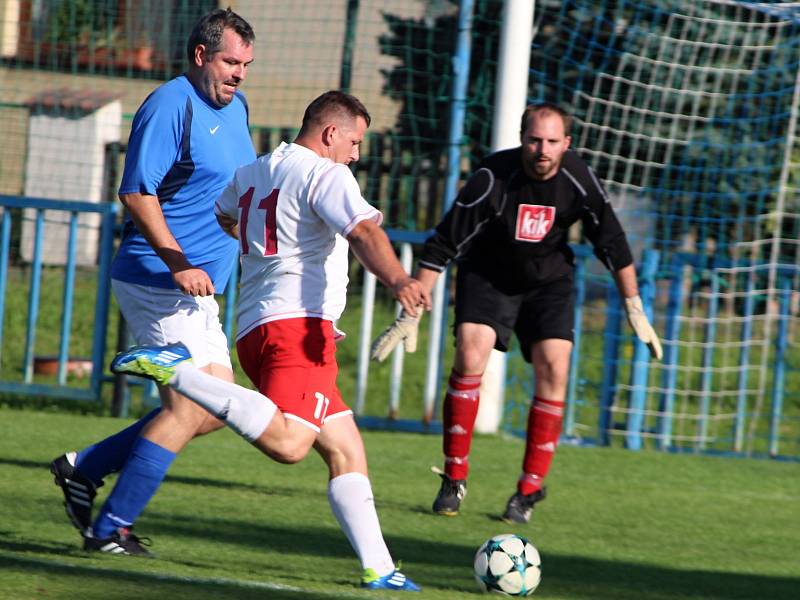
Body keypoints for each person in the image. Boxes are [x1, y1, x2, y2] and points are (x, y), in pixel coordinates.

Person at [110, 91, 428, 591]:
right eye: (354, 141)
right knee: (290, 445)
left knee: (344, 448)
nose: (356, 154)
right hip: (299, 329)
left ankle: (381, 569)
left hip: (254, 328)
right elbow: (365, 232)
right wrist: (400, 281)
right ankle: (176, 370)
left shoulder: (255, 170)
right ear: (329, 133)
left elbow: (225, 216)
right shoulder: (326, 174)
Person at [370, 102, 662, 524]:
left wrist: (634, 305)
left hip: (548, 284)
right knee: (472, 352)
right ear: (523, 139)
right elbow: (443, 245)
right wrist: (411, 312)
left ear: (567, 143)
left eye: (552, 141)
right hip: (488, 277)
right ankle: (454, 476)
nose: (542, 150)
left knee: (555, 368)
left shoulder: (578, 179)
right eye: (534, 139)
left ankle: (527, 492)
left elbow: (612, 243)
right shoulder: (492, 177)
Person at [49, 8, 257, 554]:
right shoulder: (170, 104)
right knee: (188, 408)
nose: (239, 73)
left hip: (199, 291)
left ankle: (84, 467)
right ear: (200, 56)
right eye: (230, 62)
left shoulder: (237, 110)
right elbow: (137, 192)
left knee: (218, 409)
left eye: (246, 64)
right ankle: (109, 528)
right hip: (157, 280)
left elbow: (226, 193)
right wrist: (178, 261)